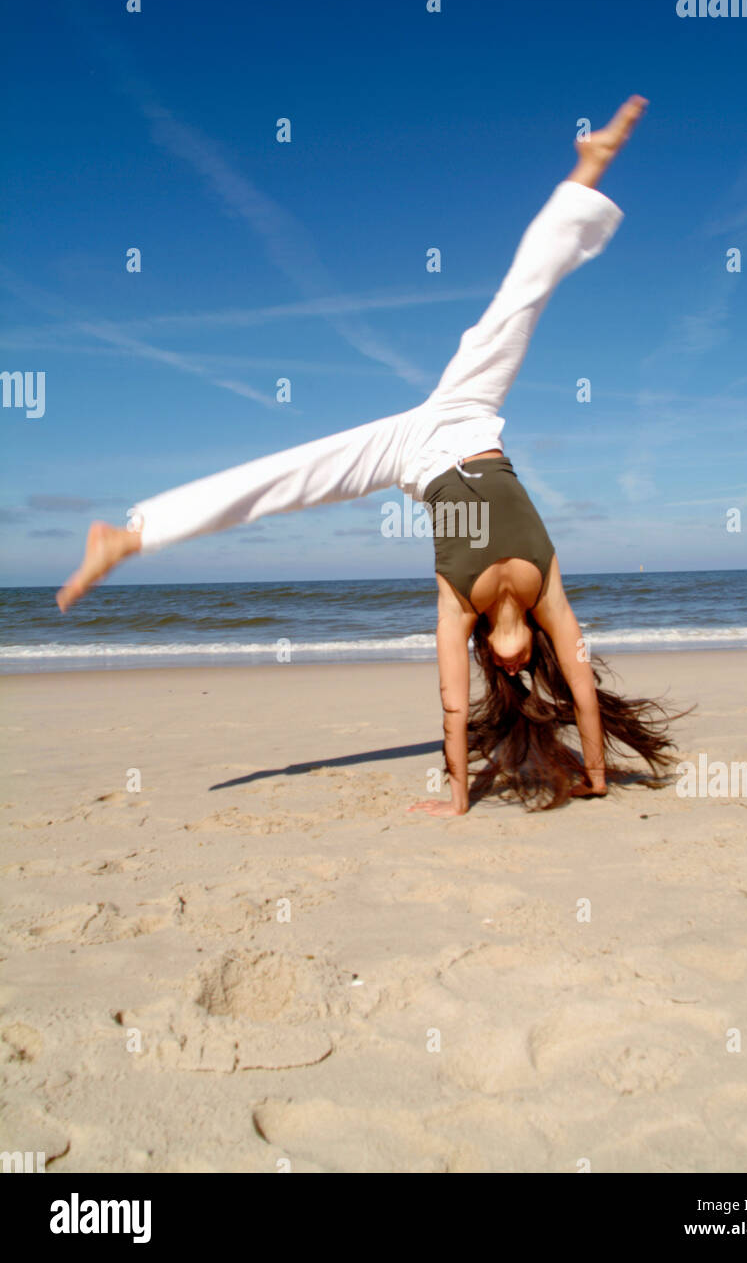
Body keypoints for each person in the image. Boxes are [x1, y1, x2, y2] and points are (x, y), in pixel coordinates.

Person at [57, 95, 682, 817]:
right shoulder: (550, 596)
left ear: (498, 669)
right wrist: (598, 770)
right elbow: (581, 689)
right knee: (517, 303)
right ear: (531, 657)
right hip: (466, 416)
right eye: (520, 671)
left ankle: (134, 537)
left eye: (505, 677)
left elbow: (451, 708)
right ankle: (589, 171)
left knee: (296, 478)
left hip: (414, 462)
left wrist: (455, 800)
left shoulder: (457, 607)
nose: (510, 669)